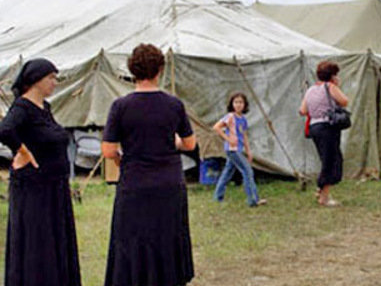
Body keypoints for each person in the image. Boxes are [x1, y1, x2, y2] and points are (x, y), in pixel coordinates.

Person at [102, 44, 196, 286]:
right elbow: (189, 144)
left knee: (133, 238)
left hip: (134, 182)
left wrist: (124, 159)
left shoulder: (120, 106)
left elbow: (108, 150)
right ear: (160, 70)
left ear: (133, 70)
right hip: (168, 183)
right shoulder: (174, 104)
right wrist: (171, 140)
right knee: (166, 237)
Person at [0, 59, 81, 286]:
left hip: (54, 186)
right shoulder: (22, 108)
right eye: (51, 78)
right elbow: (5, 130)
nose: (54, 83)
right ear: (35, 80)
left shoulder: (44, 108)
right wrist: (23, 151)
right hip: (34, 188)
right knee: (38, 241)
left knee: (53, 241)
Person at [299, 61, 349, 207]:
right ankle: (324, 196)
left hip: (315, 126)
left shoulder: (310, 90)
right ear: (333, 76)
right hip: (328, 126)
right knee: (332, 161)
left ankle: (321, 189)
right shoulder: (330, 87)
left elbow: (302, 110)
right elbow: (344, 101)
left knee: (327, 159)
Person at [213, 92, 267, 207]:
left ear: (245, 105)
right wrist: (228, 139)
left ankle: (218, 196)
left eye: (241, 102)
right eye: (236, 102)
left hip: (238, 148)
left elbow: (244, 136)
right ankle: (253, 200)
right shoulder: (230, 117)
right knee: (247, 171)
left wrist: (248, 151)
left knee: (227, 172)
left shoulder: (243, 119)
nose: (238, 105)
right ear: (232, 104)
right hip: (232, 149)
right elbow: (216, 127)